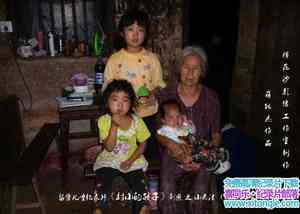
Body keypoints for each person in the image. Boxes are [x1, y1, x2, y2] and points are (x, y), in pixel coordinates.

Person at [157, 46, 222, 214]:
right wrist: (173, 146)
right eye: (186, 67)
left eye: (196, 68)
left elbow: (216, 134)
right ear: (179, 68)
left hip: (202, 152)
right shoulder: (166, 94)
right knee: (167, 186)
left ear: (202, 72)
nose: (190, 72)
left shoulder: (211, 97)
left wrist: (203, 157)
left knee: (200, 190)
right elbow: (158, 132)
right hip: (173, 151)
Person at [103, 9, 166, 161]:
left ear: (146, 34)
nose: (135, 34)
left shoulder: (152, 59)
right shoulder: (114, 60)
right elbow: (107, 90)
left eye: (140, 30)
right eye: (130, 29)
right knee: (124, 153)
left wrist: (153, 94)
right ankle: (126, 179)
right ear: (122, 33)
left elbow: (159, 84)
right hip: (123, 116)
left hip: (148, 115)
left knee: (149, 153)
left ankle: (150, 181)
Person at [93, 80, 150, 214]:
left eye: (125, 100)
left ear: (131, 103)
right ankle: (100, 209)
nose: (120, 104)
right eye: (115, 99)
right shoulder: (104, 120)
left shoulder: (137, 121)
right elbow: (108, 147)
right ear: (107, 102)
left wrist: (130, 161)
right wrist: (114, 126)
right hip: (109, 159)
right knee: (103, 185)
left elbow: (143, 144)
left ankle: (141, 209)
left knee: (140, 186)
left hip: (132, 159)